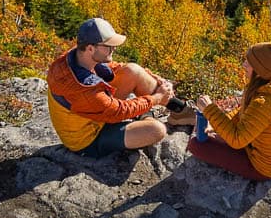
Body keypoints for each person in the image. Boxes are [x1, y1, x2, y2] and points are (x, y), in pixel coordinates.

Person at [46, 17, 176, 157]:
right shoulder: (84, 90)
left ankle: (179, 111)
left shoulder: (78, 55)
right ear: (91, 48)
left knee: (133, 70)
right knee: (156, 130)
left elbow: (114, 68)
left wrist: (156, 78)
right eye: (109, 46)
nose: (114, 48)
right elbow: (119, 111)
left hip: (95, 112)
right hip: (89, 138)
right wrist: (156, 98)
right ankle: (146, 116)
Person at [189, 41, 271, 181]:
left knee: (196, 145)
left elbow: (237, 140)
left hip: (265, 168)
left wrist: (210, 110)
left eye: (249, 63)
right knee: (217, 135)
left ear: (260, 70)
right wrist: (217, 126)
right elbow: (246, 113)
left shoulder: (265, 103)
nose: (243, 65)